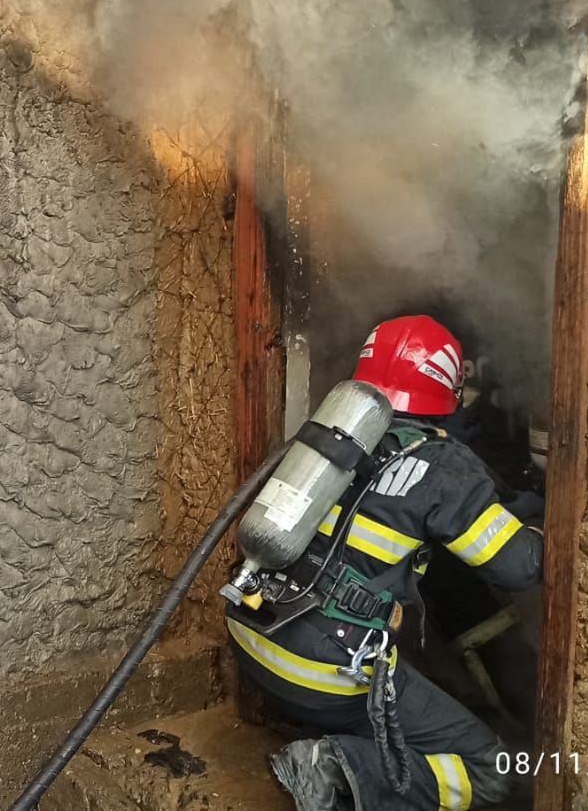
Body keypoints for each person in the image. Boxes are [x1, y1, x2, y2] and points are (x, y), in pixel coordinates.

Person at [226, 315, 542, 811]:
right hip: (320, 673)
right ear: (450, 388)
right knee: (495, 770)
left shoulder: (326, 435)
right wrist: (542, 526)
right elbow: (518, 567)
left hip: (252, 636)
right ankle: (336, 767)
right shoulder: (445, 465)